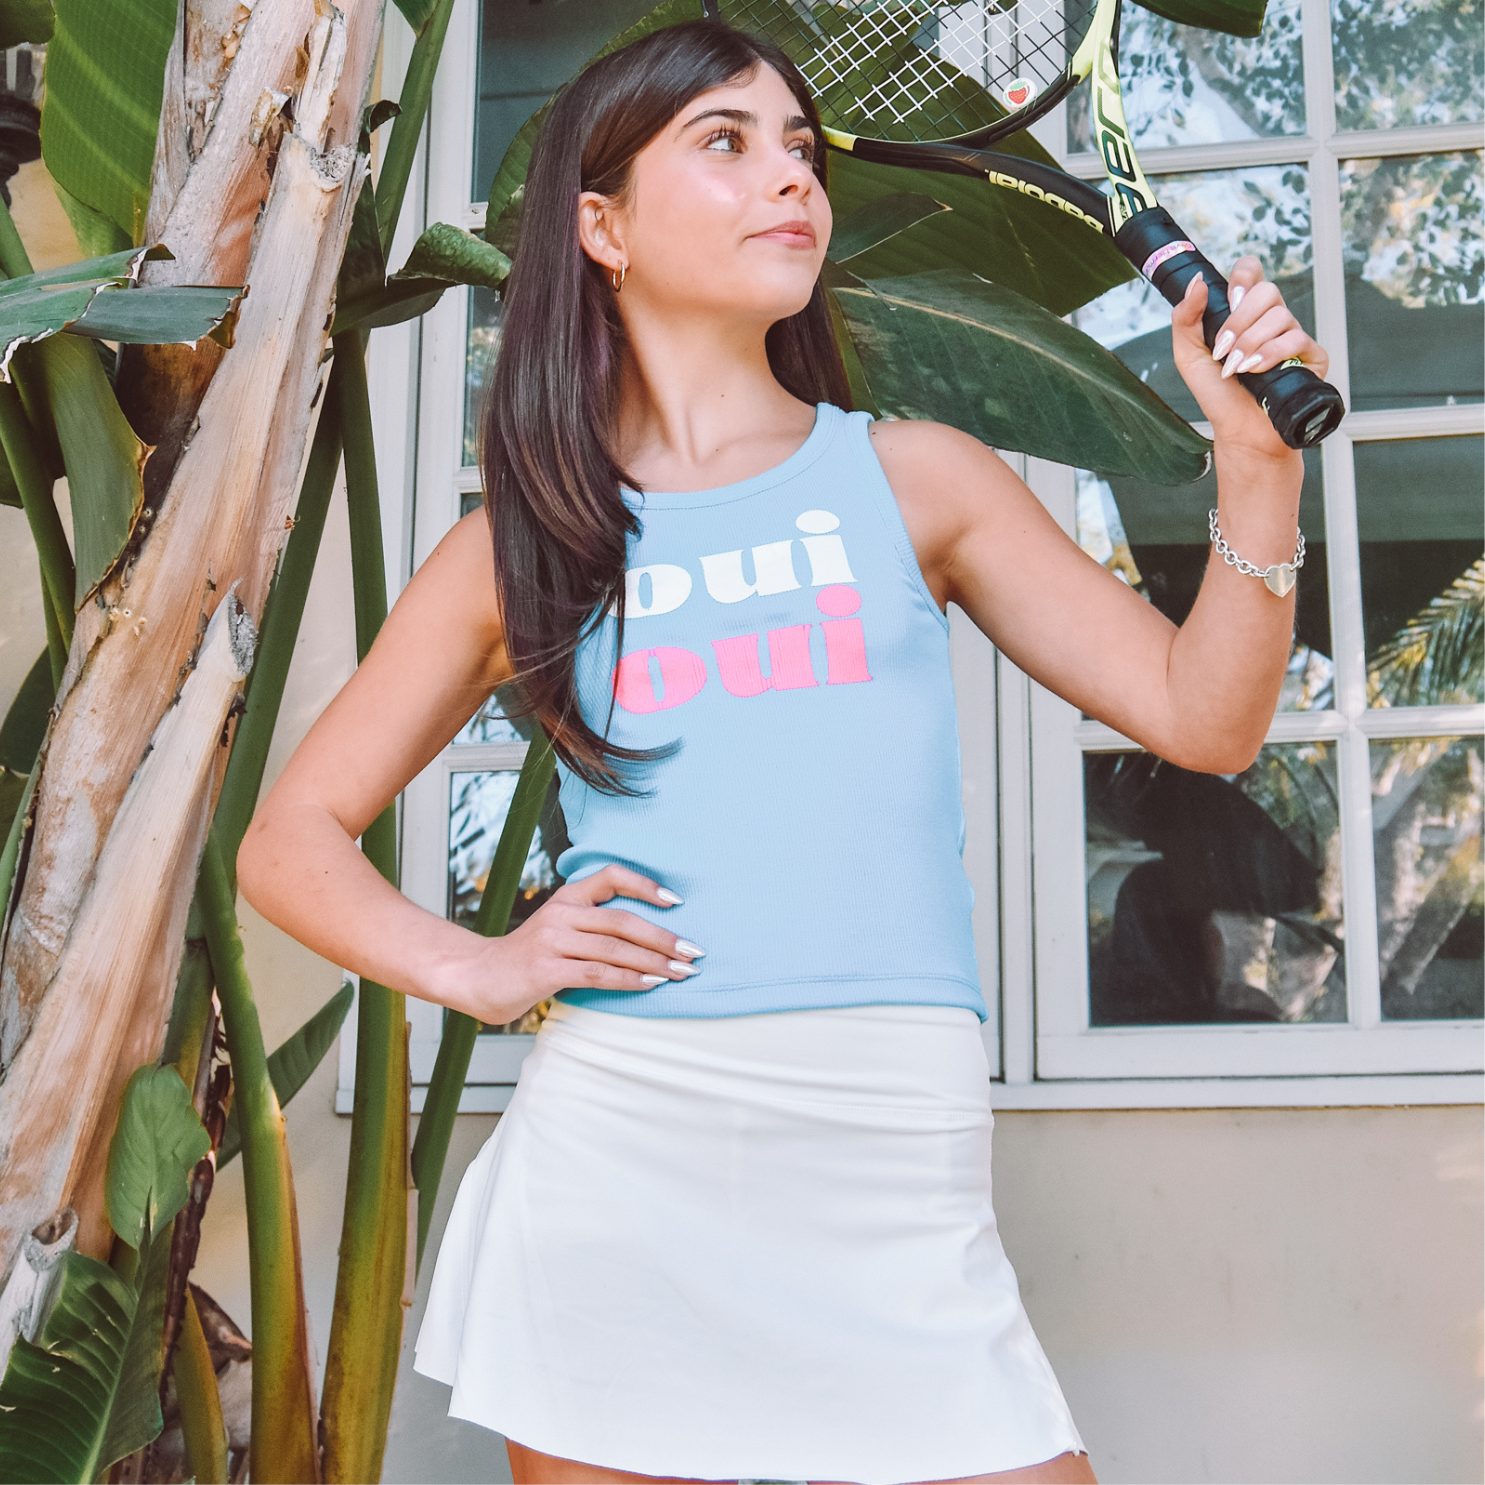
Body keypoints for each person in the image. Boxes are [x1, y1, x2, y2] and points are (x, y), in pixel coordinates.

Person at [235, 17, 1328, 1485]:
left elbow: (1212, 718)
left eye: (802, 150)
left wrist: (1257, 476)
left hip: (889, 1145)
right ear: (600, 226)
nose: (792, 182)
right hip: (626, 1152)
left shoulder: (917, 477)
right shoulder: (520, 548)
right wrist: (476, 966)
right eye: (727, 144)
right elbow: (286, 839)